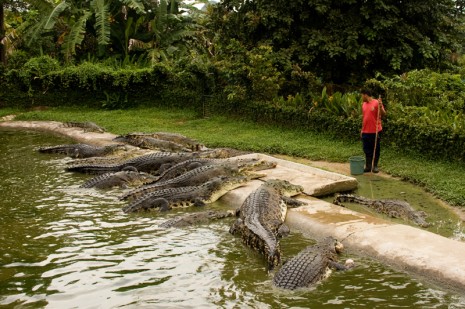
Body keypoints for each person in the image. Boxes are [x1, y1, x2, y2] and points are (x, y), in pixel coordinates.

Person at [360, 87, 386, 173]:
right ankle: (368, 166)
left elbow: (383, 114)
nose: (362, 97)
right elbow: (364, 118)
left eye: (362, 95)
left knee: (376, 149)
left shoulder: (376, 103)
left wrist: (381, 106)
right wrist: (362, 130)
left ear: (365, 95)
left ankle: (375, 166)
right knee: (366, 149)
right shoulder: (363, 104)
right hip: (365, 131)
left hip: (375, 131)